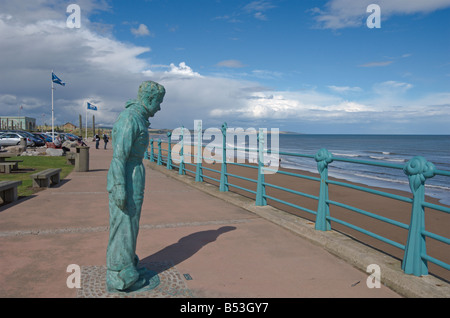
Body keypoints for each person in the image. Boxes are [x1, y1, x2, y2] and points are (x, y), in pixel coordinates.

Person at [106, 80, 165, 292]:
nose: (159, 107)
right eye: (158, 102)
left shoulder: (137, 117)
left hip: (133, 174)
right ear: (149, 99)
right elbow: (119, 156)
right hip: (127, 176)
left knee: (130, 225)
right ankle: (120, 276)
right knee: (124, 224)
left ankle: (128, 265)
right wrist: (120, 186)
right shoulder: (130, 118)